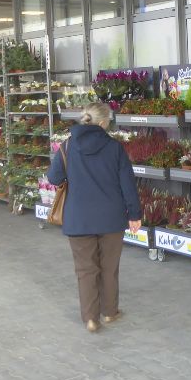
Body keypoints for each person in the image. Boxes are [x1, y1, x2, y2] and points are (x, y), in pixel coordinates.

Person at [46, 102, 142, 333]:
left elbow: (54, 177)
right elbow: (128, 184)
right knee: (109, 268)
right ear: (103, 122)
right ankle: (109, 312)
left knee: (85, 270)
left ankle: (90, 318)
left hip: (78, 218)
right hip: (111, 217)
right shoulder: (115, 148)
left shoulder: (67, 146)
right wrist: (134, 214)